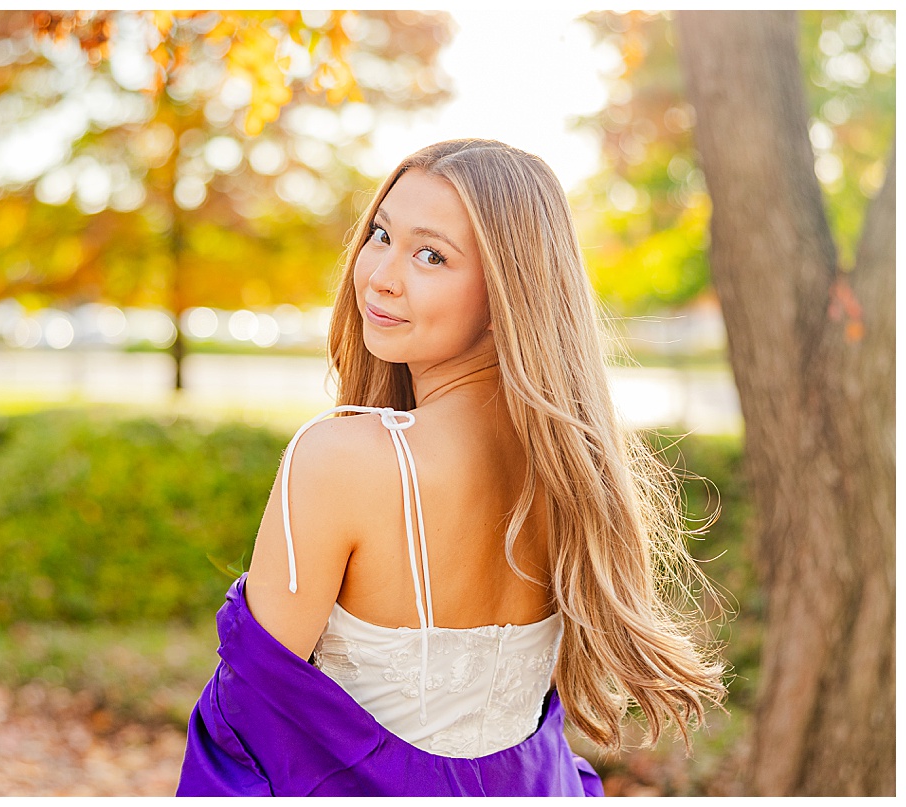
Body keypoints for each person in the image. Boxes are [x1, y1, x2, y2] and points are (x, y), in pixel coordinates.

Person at [176, 139, 726, 797]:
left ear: (507, 295)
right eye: (381, 234)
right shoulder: (576, 474)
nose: (380, 273)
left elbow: (243, 737)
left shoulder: (338, 460)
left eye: (431, 255)